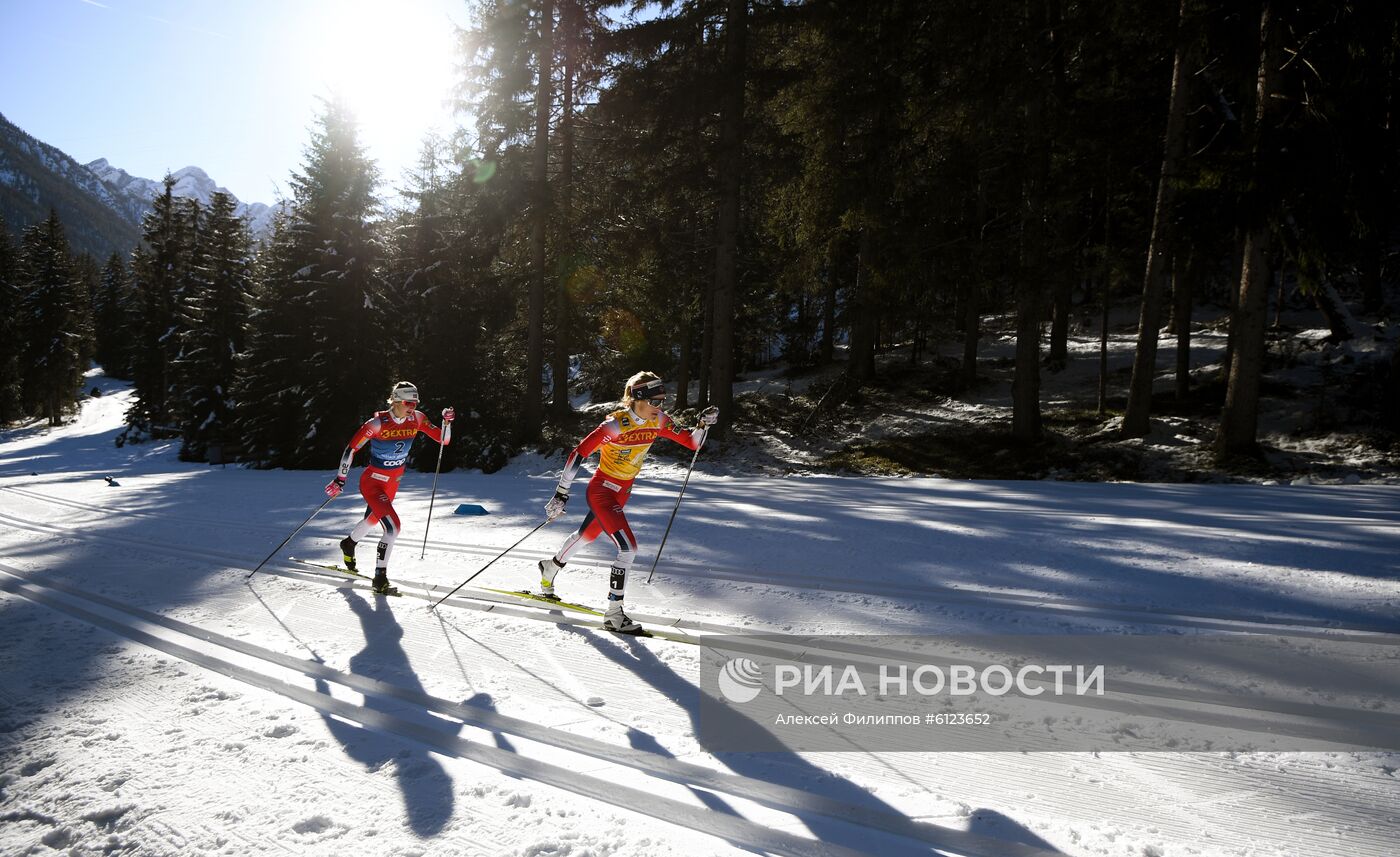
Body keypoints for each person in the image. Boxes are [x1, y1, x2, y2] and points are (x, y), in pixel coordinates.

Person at [539, 371, 718, 633]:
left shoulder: (658, 421)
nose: (660, 407)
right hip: (601, 491)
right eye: (656, 401)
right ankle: (614, 614)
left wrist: (703, 425)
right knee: (628, 549)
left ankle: (549, 568)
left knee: (586, 536)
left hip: (622, 492)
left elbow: (692, 443)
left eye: (662, 401)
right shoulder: (614, 425)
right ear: (639, 399)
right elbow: (579, 453)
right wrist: (561, 493)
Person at [325, 381, 454, 595]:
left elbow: (443, 440)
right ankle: (380, 578)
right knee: (393, 528)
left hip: (393, 482)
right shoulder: (376, 424)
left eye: (415, 402)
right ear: (394, 400)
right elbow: (351, 449)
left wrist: (447, 423)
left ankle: (349, 544)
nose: (411, 406)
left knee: (373, 519)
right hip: (373, 482)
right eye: (407, 402)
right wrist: (340, 479)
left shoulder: (417, 418)